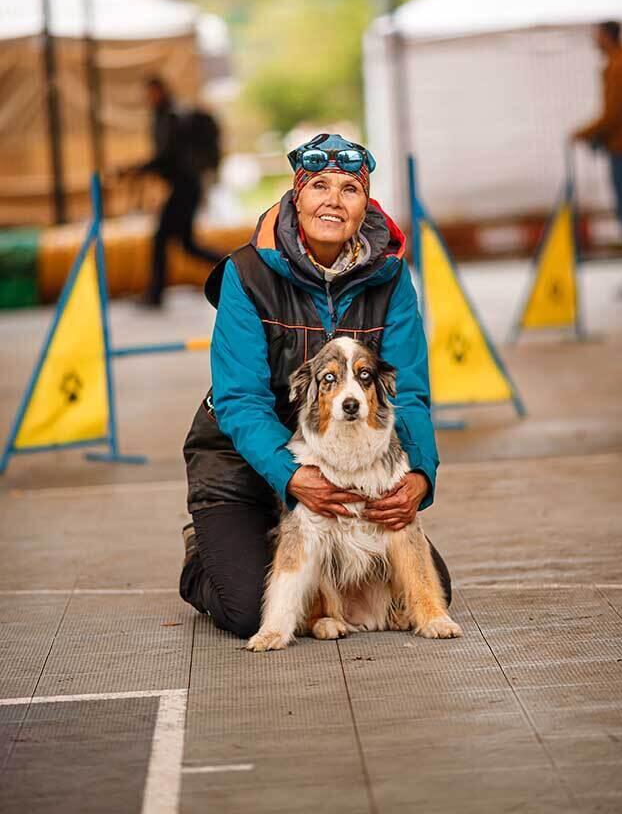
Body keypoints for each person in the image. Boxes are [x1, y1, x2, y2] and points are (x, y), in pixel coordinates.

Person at [179, 132, 450, 639]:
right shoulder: (247, 273)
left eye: (349, 189)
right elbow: (240, 399)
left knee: (427, 595)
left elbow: (408, 391)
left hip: (347, 460)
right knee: (245, 611)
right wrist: (290, 474)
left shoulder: (390, 277)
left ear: (364, 203)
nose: (333, 200)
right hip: (240, 464)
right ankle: (208, 554)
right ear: (296, 195)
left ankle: (301, 550)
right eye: (320, 186)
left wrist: (419, 477)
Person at [130, 76, 223, 307]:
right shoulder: (168, 115)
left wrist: (139, 169)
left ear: (160, 91)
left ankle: (156, 295)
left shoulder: (170, 117)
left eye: (151, 92)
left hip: (185, 186)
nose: (148, 98)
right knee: (187, 245)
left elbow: (168, 156)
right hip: (185, 185)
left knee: (161, 238)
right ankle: (236, 267)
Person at [570, 21, 622, 236]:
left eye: (597, 35)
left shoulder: (618, 67)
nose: (594, 40)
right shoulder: (615, 64)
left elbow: (614, 114)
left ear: (606, 36)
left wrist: (582, 134)